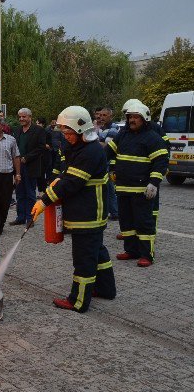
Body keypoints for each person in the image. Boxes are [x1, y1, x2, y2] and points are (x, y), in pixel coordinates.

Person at [31, 106, 116, 313]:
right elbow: (67, 174)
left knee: (84, 259)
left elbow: (72, 183)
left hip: (87, 214)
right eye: (63, 132)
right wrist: (59, 177)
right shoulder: (80, 148)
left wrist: (44, 201)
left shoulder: (90, 151)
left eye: (68, 132)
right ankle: (106, 289)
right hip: (88, 212)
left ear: (81, 130)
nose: (66, 136)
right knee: (97, 252)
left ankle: (78, 301)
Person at [106, 102, 168, 267]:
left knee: (143, 222)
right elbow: (108, 152)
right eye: (130, 117)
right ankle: (131, 250)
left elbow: (161, 162)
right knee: (126, 222)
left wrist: (153, 183)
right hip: (123, 188)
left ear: (144, 119)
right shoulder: (123, 134)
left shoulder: (152, 138)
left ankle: (147, 255)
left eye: (135, 117)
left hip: (141, 190)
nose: (132, 120)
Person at [11, 107, 46, 226]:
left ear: (30, 117)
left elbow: (41, 148)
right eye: (20, 116)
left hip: (31, 166)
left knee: (30, 193)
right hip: (18, 166)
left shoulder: (38, 130)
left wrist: (27, 157)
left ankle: (30, 218)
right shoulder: (17, 130)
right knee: (19, 192)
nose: (21, 119)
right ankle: (20, 217)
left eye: (24, 116)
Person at [96, 107, 120, 221]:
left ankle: (115, 212)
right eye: (100, 115)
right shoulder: (101, 128)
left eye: (104, 115)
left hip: (111, 163)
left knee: (110, 188)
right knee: (106, 188)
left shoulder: (114, 128)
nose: (101, 117)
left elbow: (107, 145)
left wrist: (95, 143)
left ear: (111, 116)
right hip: (103, 161)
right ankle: (110, 211)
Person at [35, 117, 50, 193]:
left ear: (43, 124)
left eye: (39, 123)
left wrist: (42, 145)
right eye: (36, 123)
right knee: (38, 174)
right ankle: (41, 190)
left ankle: (43, 191)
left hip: (44, 156)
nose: (37, 125)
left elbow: (49, 146)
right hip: (37, 156)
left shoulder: (46, 132)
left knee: (41, 173)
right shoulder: (35, 132)